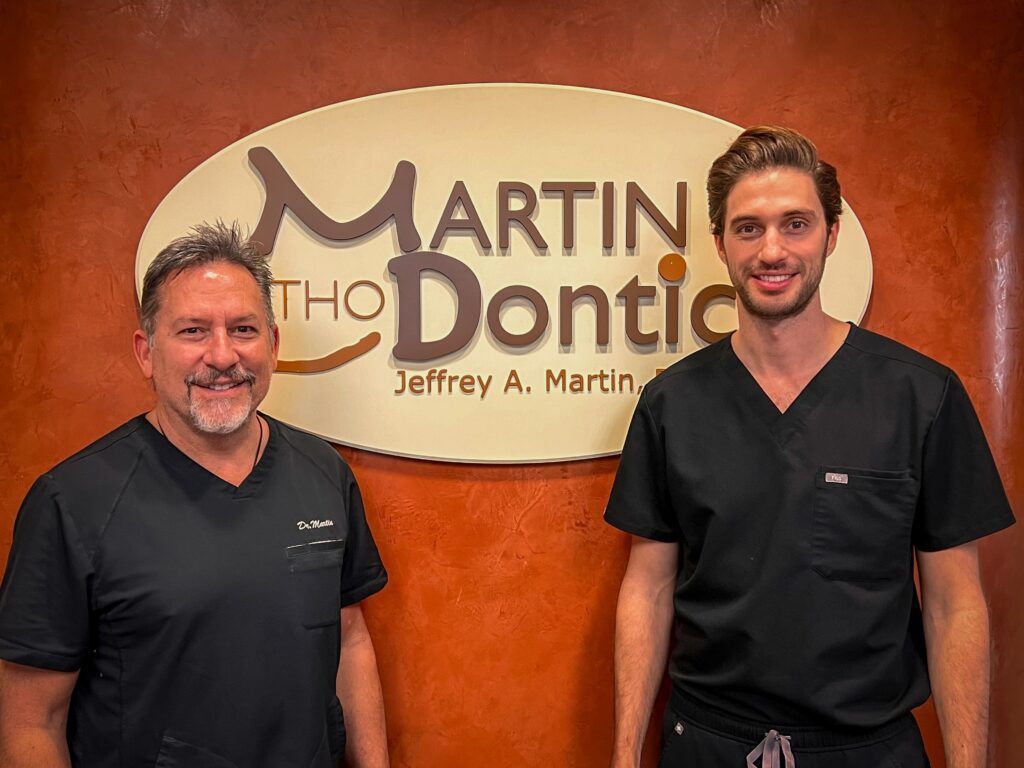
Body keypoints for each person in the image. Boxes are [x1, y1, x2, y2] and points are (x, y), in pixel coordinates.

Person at [606, 126, 1014, 768]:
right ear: (720, 243)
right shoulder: (672, 404)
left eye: (795, 224)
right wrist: (625, 757)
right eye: (748, 228)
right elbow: (648, 589)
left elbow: (955, 602)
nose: (773, 250)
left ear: (831, 233)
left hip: (867, 748)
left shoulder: (921, 397)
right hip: (708, 746)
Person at [0, 222, 390, 767]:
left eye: (244, 329)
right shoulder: (72, 502)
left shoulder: (323, 473)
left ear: (273, 347)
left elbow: (349, 642)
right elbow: (30, 720)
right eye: (192, 331)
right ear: (146, 351)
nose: (223, 355)